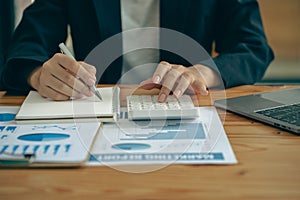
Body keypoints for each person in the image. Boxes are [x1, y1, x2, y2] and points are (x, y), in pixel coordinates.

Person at [1, 0, 274, 102]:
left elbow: (253, 47)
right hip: (95, 112)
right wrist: (38, 75)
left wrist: (200, 72)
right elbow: (28, 43)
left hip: (182, 108)